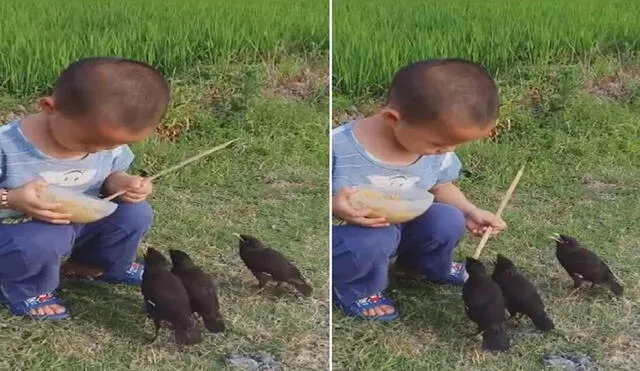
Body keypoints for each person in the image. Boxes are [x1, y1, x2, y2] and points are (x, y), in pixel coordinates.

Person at [332, 58, 507, 321]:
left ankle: (422, 266)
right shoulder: (337, 148)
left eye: (454, 145)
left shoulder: (435, 150)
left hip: (402, 226)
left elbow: (441, 184)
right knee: (373, 240)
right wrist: (334, 205)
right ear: (393, 119)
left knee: (448, 218)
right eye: (439, 144)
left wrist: (470, 211)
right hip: (353, 237)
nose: (448, 151)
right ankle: (357, 288)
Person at [0, 57, 170, 320]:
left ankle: (100, 266)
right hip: (18, 232)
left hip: (76, 222)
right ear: (49, 107)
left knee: (136, 213)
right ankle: (24, 288)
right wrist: (10, 199)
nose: (97, 151)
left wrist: (121, 183)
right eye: (89, 142)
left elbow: (110, 175)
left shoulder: (104, 141)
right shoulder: (6, 146)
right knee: (45, 239)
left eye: (109, 146)